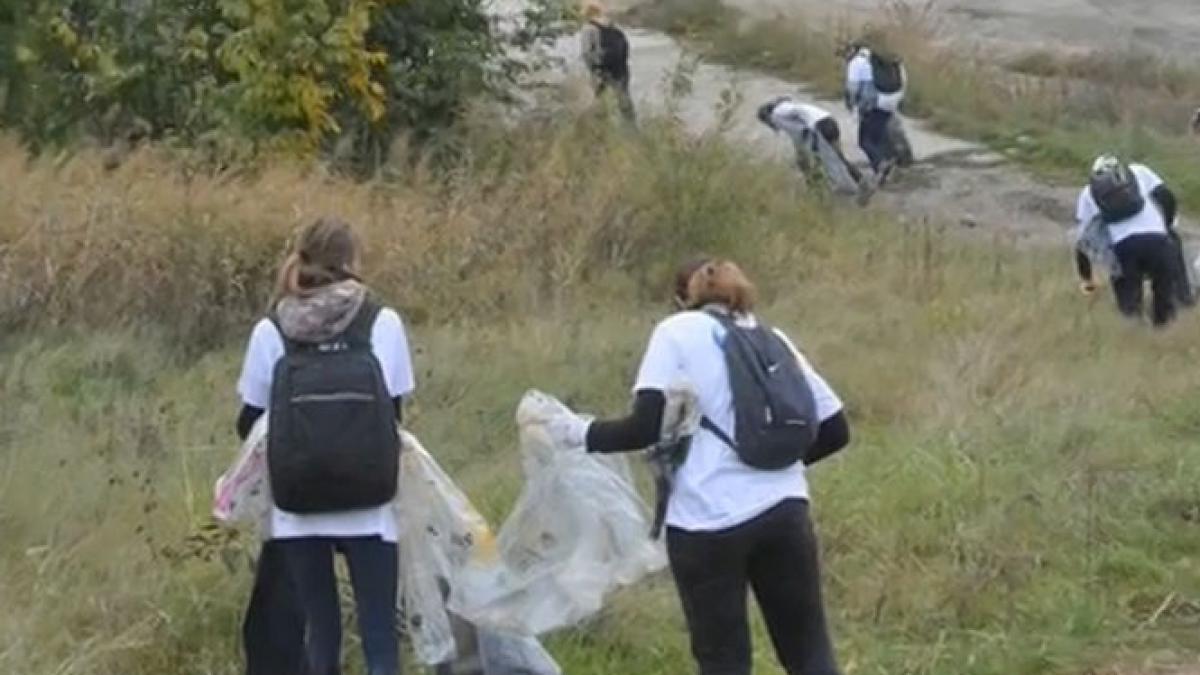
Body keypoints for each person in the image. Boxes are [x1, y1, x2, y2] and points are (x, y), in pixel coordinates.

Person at [548, 258, 849, 675]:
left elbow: (645, 426)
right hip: (785, 512)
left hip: (706, 523)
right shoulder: (772, 338)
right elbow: (836, 430)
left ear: (681, 298)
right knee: (808, 654)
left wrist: (578, 433)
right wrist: (770, 467)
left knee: (723, 661)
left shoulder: (675, 332)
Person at [236, 217, 415, 675]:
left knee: (320, 634)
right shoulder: (382, 320)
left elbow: (249, 421)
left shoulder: (272, 328)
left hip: (297, 507)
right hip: (371, 502)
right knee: (379, 638)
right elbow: (392, 413)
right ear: (352, 261)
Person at [1075, 155, 1186, 327]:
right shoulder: (1139, 171)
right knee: (1164, 302)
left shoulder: (1088, 192)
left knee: (1129, 307)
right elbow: (1166, 197)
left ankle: (1134, 338)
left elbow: (1083, 242)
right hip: (1158, 239)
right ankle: (1162, 335)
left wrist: (1087, 278)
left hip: (1122, 248)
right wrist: (1166, 226)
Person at [757, 96, 873, 205]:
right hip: (829, 121)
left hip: (819, 127)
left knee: (819, 161)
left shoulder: (776, 114)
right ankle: (861, 181)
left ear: (766, 117)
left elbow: (798, 131)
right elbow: (798, 129)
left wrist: (807, 140)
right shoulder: (786, 107)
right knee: (839, 157)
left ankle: (827, 190)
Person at [843, 42, 907, 184]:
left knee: (864, 140)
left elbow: (852, 89)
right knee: (879, 134)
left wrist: (852, 105)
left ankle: (881, 166)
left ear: (853, 50)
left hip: (876, 103)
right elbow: (903, 78)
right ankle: (894, 163)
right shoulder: (881, 59)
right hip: (892, 99)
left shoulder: (857, 62)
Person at [580, 2, 636, 123]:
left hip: (600, 73)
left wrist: (595, 68)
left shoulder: (588, 29)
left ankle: (602, 134)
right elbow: (625, 50)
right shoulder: (615, 29)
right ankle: (632, 133)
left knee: (601, 103)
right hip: (620, 71)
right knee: (624, 103)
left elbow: (586, 54)